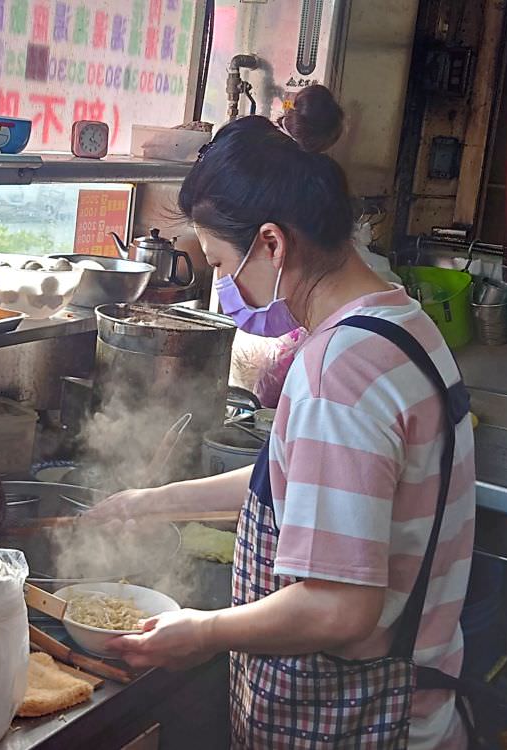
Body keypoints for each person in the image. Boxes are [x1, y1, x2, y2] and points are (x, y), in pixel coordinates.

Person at [88, 86, 476, 749]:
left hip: (362, 726)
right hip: (416, 705)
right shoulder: (400, 322)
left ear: (270, 243)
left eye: (219, 263)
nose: (224, 287)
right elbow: (303, 479)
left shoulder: (337, 372)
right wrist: (151, 502)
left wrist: (203, 631)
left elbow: (339, 608)